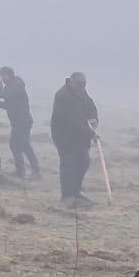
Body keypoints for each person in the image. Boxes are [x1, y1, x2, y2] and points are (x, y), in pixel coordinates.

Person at [50, 72, 98, 207]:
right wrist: (90, 133)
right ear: (71, 82)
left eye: (84, 86)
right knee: (69, 165)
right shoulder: (62, 96)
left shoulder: (82, 90)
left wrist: (94, 117)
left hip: (80, 138)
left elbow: (90, 106)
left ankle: (76, 192)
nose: (82, 89)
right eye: (79, 86)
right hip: (65, 137)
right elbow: (71, 121)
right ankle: (67, 196)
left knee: (83, 163)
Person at [0, 66, 39, 180]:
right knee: (15, 145)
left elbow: (2, 94)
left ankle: (36, 171)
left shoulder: (16, 85)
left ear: (7, 75)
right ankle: (20, 171)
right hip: (17, 122)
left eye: (2, 76)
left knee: (24, 146)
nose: (1, 78)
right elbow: (9, 105)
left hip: (23, 121)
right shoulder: (11, 87)